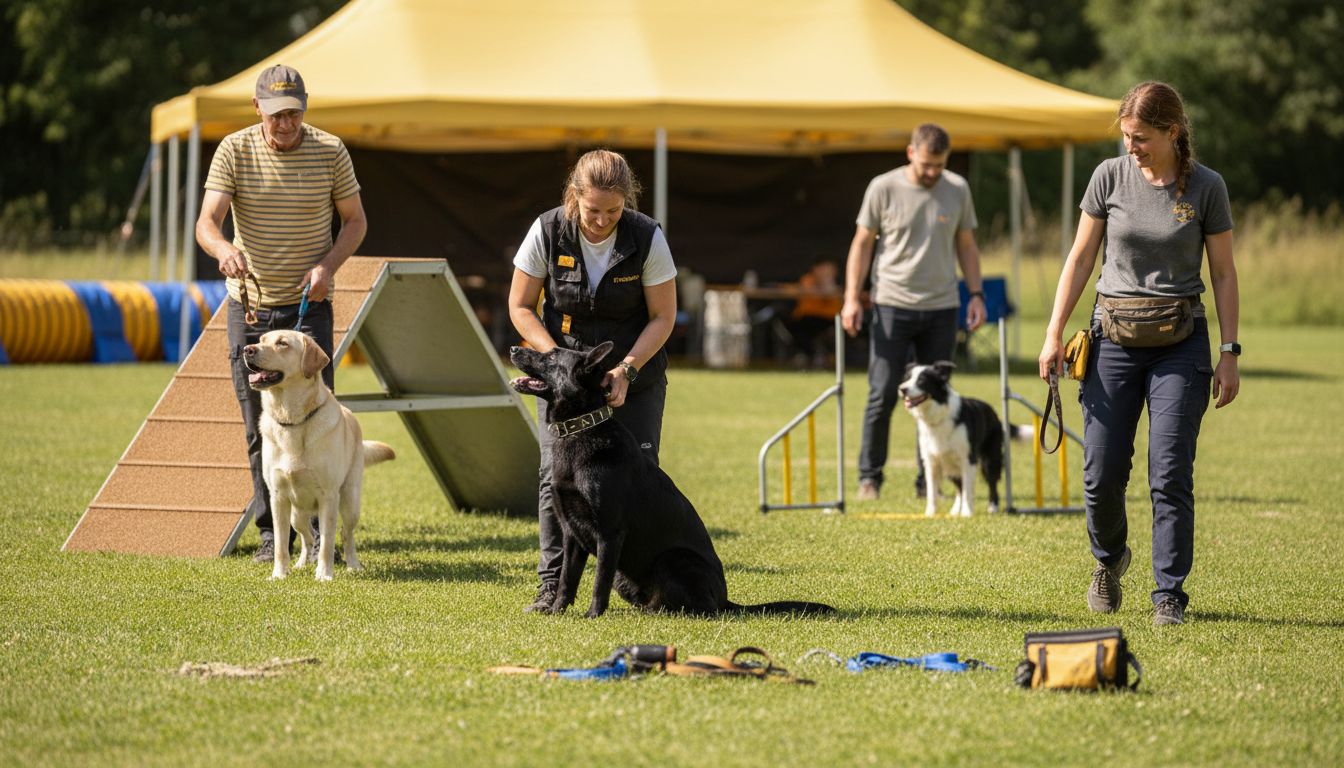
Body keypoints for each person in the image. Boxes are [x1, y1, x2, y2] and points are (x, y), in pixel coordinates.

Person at [1038, 81, 1239, 627]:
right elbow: (1081, 258)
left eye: (1142, 137)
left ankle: (1168, 593)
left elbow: (1222, 272)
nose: (1132, 147)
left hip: (1182, 341)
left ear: (1173, 132)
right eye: (1127, 136)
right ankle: (1110, 559)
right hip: (1112, 338)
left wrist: (1229, 350)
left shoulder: (1206, 187)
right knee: (1101, 472)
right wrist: (1055, 331)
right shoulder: (1108, 176)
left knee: (1169, 471)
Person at [195, 64, 368, 563]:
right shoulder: (234, 149)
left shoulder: (331, 151)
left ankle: (319, 536)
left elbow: (355, 221)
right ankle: (274, 533)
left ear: (305, 109)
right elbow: (207, 221)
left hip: (307, 309)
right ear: (257, 109)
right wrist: (223, 249)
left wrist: (327, 266)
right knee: (258, 427)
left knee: (318, 417)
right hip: (249, 306)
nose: (285, 124)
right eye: (275, 115)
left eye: (293, 114)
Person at [507, 149, 678, 613]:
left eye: (613, 211)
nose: (602, 221)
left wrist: (627, 368)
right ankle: (551, 589)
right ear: (574, 197)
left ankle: (643, 585)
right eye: (592, 210)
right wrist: (556, 363)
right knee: (554, 480)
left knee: (635, 477)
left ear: (628, 203)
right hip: (567, 382)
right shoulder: (546, 231)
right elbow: (520, 306)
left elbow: (663, 317)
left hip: (633, 376)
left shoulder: (647, 237)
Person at [841, 123, 987, 501]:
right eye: (926, 164)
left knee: (936, 397)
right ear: (910, 153)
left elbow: (967, 245)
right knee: (883, 393)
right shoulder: (883, 187)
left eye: (939, 165)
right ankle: (869, 478)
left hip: (941, 307)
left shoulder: (957, 189)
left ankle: (929, 484)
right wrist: (852, 297)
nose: (932, 172)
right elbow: (861, 244)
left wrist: (976, 294)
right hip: (892, 304)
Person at [786, 257, 842, 368]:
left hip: (831, 318)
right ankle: (807, 354)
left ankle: (816, 355)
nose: (825, 272)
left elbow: (829, 294)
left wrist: (827, 283)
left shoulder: (836, 282)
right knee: (795, 324)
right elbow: (804, 291)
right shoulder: (808, 280)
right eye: (822, 269)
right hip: (807, 317)